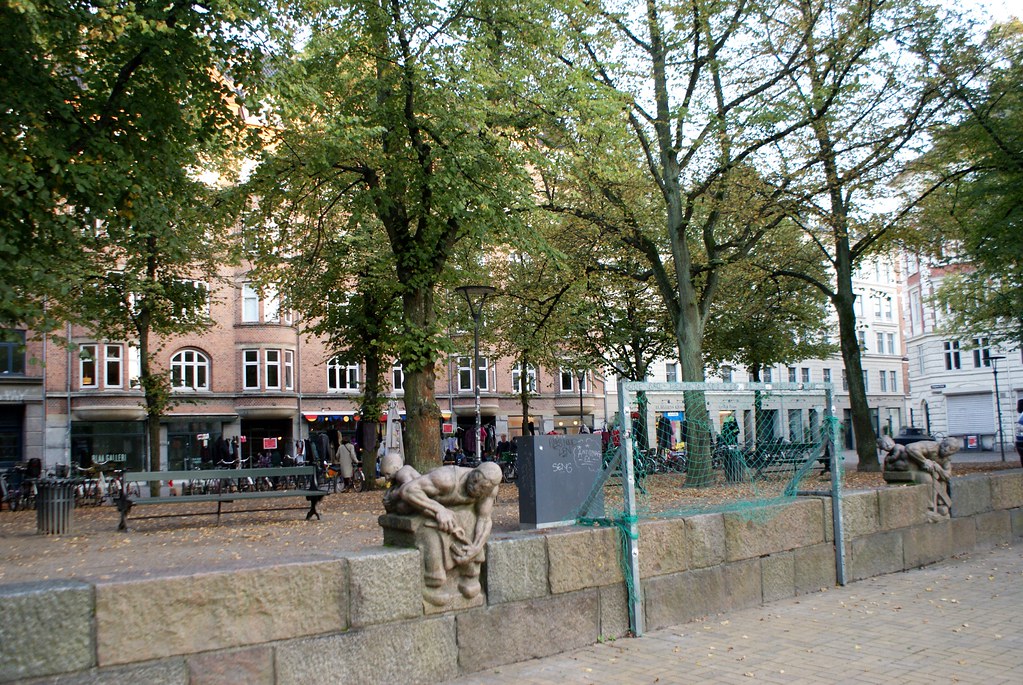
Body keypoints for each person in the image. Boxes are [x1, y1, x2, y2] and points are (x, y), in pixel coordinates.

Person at [383, 462, 502, 600]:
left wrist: (475, 548)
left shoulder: (491, 490)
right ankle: (434, 582)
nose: (475, 487)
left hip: (451, 511)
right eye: (474, 480)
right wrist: (439, 510)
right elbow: (409, 491)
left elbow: (484, 519)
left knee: (470, 520)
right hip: (414, 503)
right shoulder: (446, 478)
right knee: (431, 527)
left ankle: (470, 576)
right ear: (473, 471)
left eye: (482, 488)